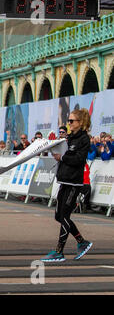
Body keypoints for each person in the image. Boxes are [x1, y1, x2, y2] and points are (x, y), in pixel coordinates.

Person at [41, 108, 93, 262]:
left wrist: (62, 157)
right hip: (64, 180)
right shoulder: (69, 137)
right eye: (68, 120)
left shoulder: (84, 139)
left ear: (81, 122)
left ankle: (59, 251)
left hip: (74, 182)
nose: (69, 123)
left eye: (71, 121)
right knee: (58, 216)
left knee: (64, 215)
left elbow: (78, 159)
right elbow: (63, 154)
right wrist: (52, 148)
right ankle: (82, 242)